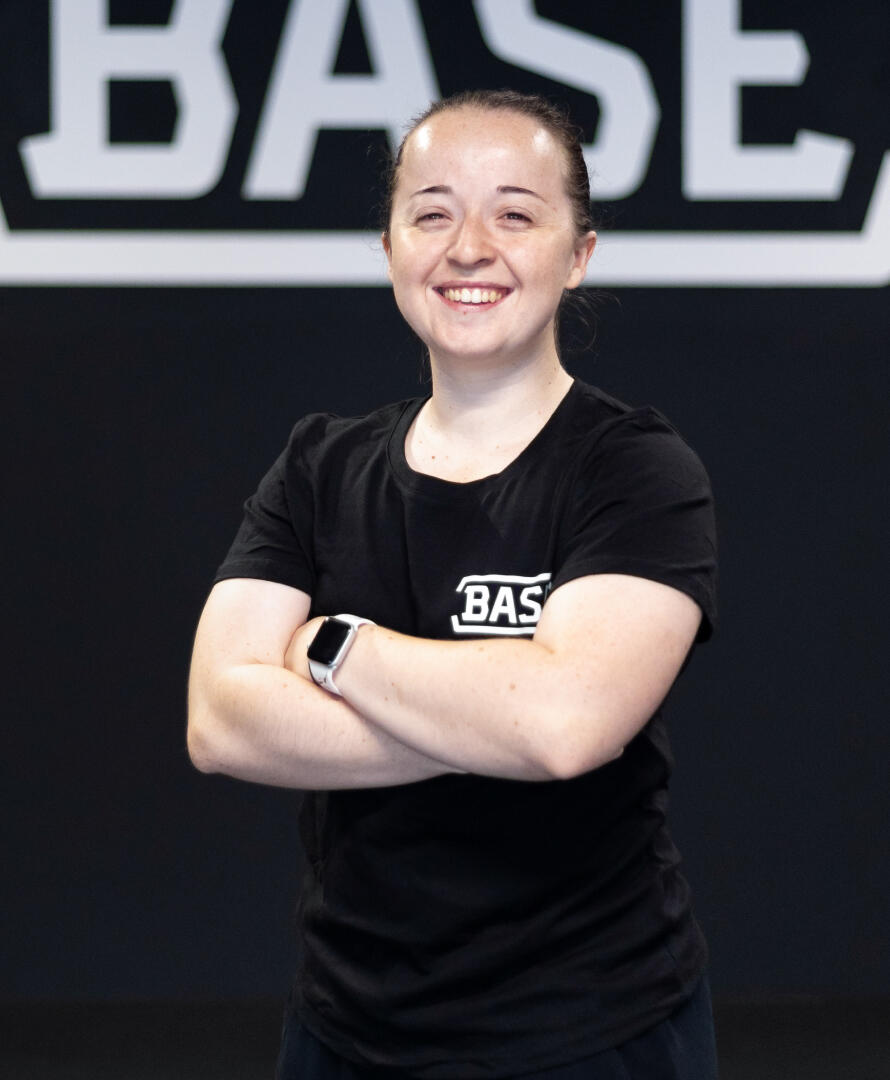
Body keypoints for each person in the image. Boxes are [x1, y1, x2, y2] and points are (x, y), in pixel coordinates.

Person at [187, 89, 719, 1080]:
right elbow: (220, 722)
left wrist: (332, 647)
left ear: (578, 254)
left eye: (514, 215)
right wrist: (486, 719)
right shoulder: (318, 468)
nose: (468, 248)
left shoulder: (635, 471)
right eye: (431, 214)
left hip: (589, 1031)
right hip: (345, 1030)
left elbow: (561, 728)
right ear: (390, 246)